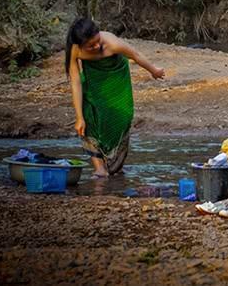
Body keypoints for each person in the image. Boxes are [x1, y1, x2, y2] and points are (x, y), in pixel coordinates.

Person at [65, 18, 165, 178]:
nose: (96, 46)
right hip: (93, 83)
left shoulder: (112, 43)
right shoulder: (75, 50)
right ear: (80, 45)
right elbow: (75, 81)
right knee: (89, 118)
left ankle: (114, 165)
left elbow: (136, 55)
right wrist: (79, 117)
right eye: (90, 46)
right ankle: (99, 168)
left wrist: (154, 70)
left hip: (116, 78)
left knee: (121, 118)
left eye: (97, 41)